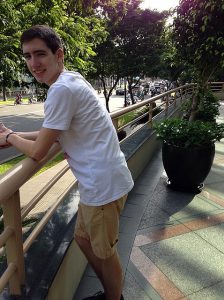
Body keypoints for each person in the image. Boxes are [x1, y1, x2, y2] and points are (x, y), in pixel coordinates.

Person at [0, 25, 134, 300]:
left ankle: (114, 298)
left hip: (102, 188)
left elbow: (38, 152)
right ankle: (111, 293)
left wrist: (12, 136)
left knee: (105, 254)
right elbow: (55, 132)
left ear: (58, 54)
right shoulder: (71, 80)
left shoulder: (61, 91)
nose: (33, 64)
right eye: (27, 56)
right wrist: (12, 135)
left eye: (40, 54)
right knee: (84, 241)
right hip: (100, 184)